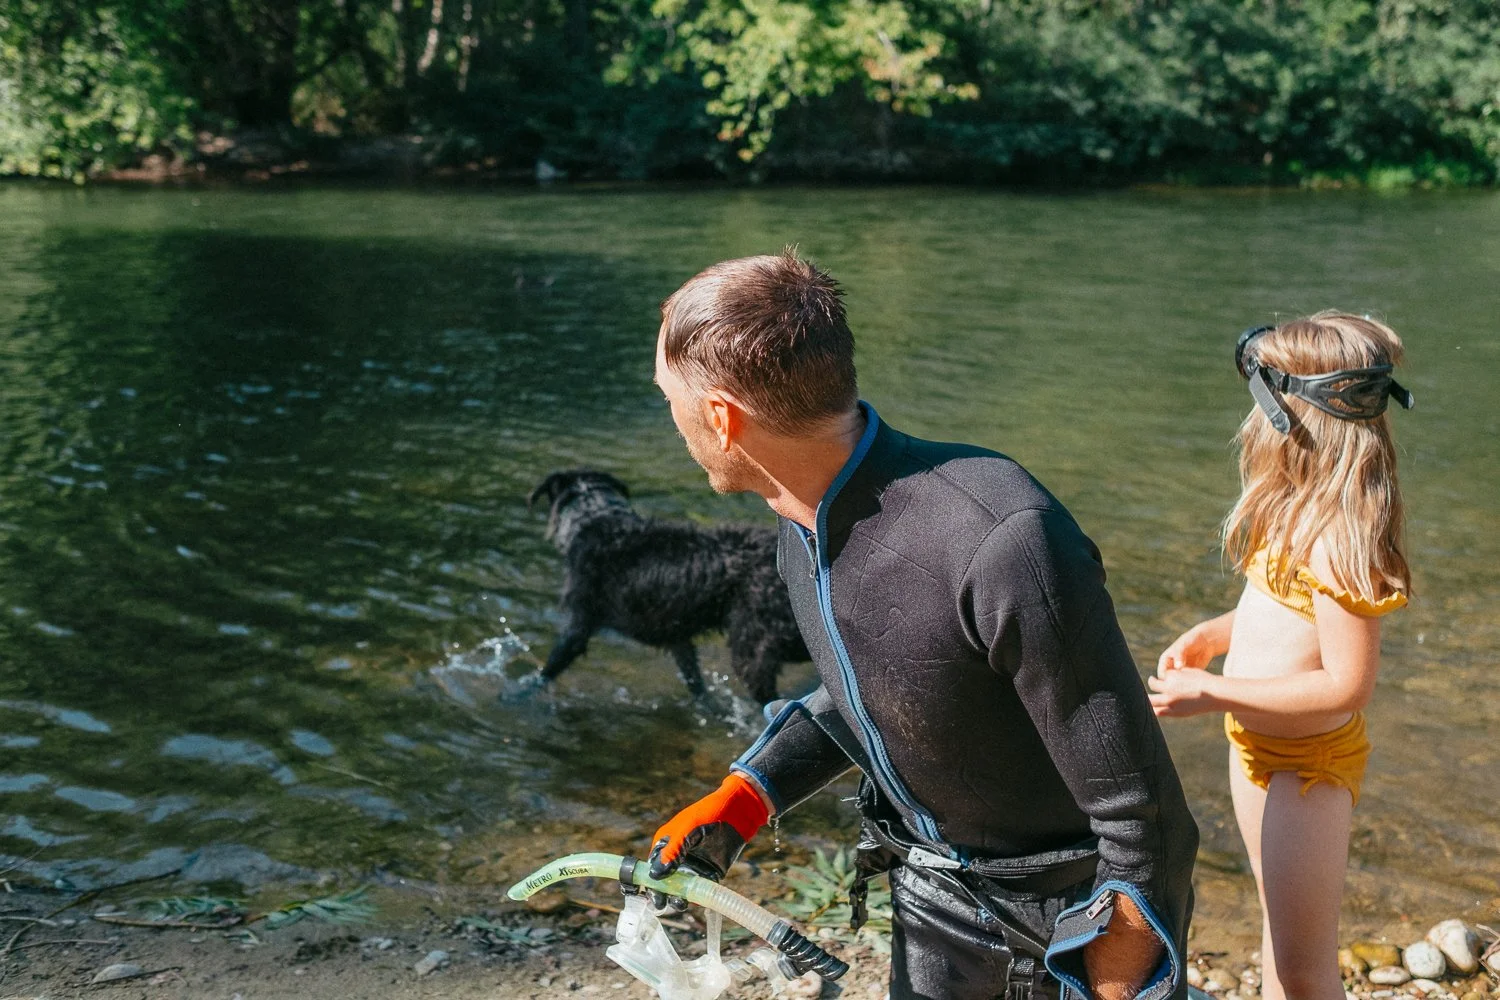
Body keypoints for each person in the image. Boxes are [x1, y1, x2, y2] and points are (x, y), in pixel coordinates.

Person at [644, 249, 1198, 1000]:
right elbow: (889, 681)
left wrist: (1114, 980)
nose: (669, 419)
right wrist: (753, 792)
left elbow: (1146, 819)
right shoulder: (798, 517)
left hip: (1074, 915)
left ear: (721, 416)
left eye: (668, 397)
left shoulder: (1001, 535)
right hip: (933, 892)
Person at [1150, 313, 1414, 1000]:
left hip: (1308, 770)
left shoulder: (1341, 535)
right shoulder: (1291, 504)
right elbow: (1277, 611)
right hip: (1255, 749)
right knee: (1278, 935)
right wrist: (1216, 635)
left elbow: (1347, 684)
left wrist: (1215, 695)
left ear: (1290, 416)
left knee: (1304, 970)